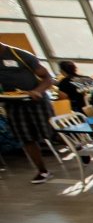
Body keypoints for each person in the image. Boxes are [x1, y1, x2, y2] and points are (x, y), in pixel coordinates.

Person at [0, 42, 56, 183]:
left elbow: (48, 78)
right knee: (26, 138)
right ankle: (42, 171)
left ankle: (78, 147)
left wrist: (37, 91)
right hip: (13, 103)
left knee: (53, 131)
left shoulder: (19, 55)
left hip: (37, 102)